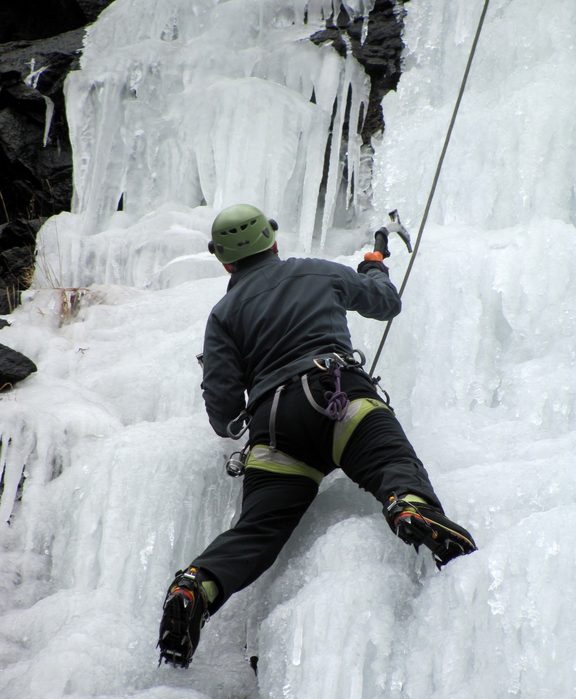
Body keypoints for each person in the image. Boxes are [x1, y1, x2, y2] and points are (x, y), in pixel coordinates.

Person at [158, 203, 477, 668]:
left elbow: (223, 414)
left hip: (274, 430)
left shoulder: (223, 315)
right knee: (390, 459)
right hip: (336, 396)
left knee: (258, 530)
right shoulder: (315, 272)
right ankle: (409, 505)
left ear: (224, 261)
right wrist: (374, 268)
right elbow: (385, 303)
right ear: (273, 239)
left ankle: (197, 584)